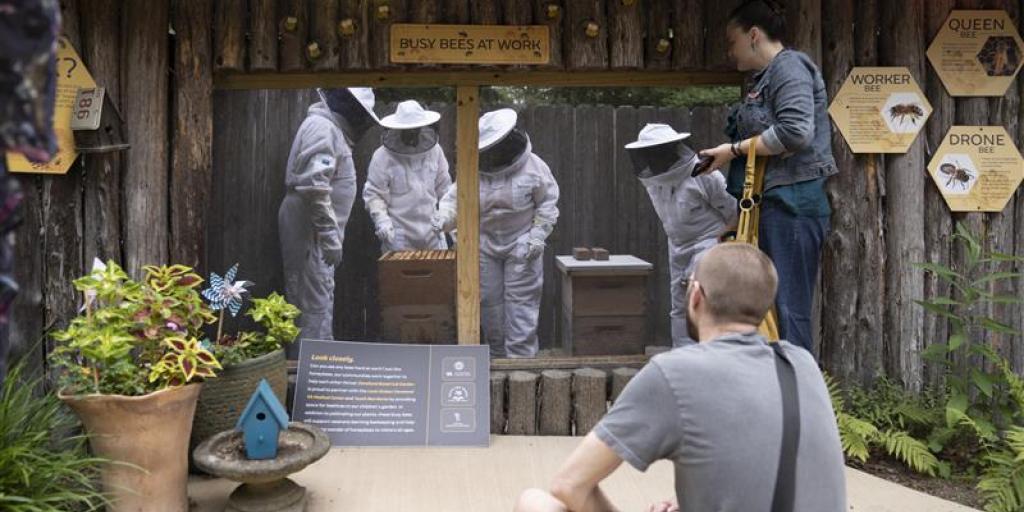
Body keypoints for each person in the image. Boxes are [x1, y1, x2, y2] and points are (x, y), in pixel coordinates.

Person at [514, 243, 846, 512]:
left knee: (535, 503)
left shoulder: (674, 372)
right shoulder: (801, 364)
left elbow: (569, 485)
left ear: (697, 296)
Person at [698, 0, 837, 355]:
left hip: (793, 206)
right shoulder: (763, 79)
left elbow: (795, 133)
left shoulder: (789, 67)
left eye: (733, 42)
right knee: (771, 309)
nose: (730, 52)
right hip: (771, 207)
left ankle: (799, 400)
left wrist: (733, 150)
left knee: (789, 309)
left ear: (754, 35)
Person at [436, 109, 559, 358]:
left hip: (522, 244)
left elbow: (548, 203)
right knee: (489, 303)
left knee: (521, 305)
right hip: (484, 244)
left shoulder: (535, 167)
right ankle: (497, 360)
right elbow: (452, 201)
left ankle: (522, 365)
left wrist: (537, 235)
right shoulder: (474, 170)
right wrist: (443, 219)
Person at [278, 87, 378, 348]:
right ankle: (308, 373)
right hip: (309, 228)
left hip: (312, 228)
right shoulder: (322, 128)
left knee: (318, 297)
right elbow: (314, 186)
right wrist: (329, 236)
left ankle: (321, 362)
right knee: (310, 302)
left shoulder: (328, 129)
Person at [625, 123, 737, 347]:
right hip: (676, 244)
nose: (655, 157)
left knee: (701, 295)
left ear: (672, 148)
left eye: (660, 150)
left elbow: (734, 213)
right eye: (650, 152)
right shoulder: (654, 182)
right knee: (679, 304)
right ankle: (682, 354)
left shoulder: (704, 174)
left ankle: (709, 353)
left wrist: (721, 244)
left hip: (709, 240)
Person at [364, 100, 452, 252]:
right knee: (400, 275)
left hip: (433, 232)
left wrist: (447, 217)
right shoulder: (382, 156)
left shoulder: (435, 151)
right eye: (407, 130)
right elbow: (374, 194)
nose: (412, 133)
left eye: (415, 129)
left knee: (439, 275)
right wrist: (382, 221)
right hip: (399, 236)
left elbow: (446, 190)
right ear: (398, 129)